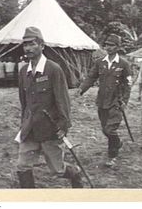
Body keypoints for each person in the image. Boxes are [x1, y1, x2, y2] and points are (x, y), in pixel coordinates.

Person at [17, 26, 83, 188]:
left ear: (42, 46)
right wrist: (23, 125)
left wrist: (63, 126)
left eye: (32, 44)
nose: (28, 48)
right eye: (25, 45)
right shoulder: (23, 71)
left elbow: (63, 100)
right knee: (22, 165)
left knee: (57, 169)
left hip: (49, 128)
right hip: (30, 129)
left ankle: (75, 174)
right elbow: (24, 102)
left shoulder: (53, 69)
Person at [79, 34, 131, 167]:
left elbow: (127, 84)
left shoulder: (124, 64)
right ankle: (117, 143)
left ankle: (112, 156)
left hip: (116, 101)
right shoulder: (100, 62)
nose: (108, 47)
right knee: (104, 129)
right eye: (107, 44)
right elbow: (91, 78)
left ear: (118, 47)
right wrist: (81, 90)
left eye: (112, 45)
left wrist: (124, 100)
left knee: (110, 129)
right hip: (102, 101)